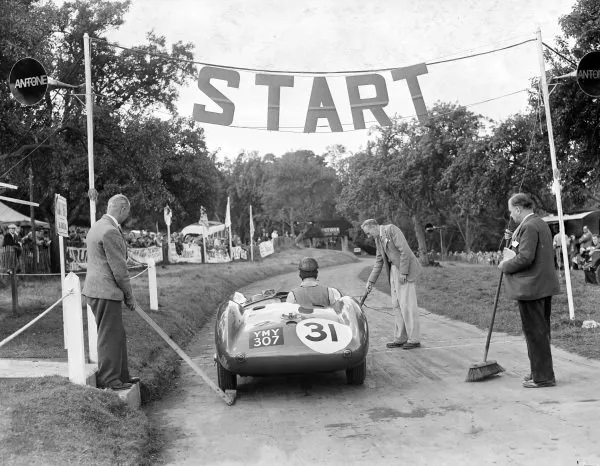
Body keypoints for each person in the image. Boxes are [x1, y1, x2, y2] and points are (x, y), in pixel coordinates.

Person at [499, 193, 560, 388]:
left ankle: (543, 377)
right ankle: (539, 370)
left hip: (532, 287)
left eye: (511, 211)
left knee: (535, 332)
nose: (511, 216)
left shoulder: (528, 226)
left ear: (518, 208)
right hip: (542, 285)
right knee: (540, 331)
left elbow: (525, 257)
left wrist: (505, 265)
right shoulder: (539, 223)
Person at [82, 194, 140, 391]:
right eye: (128, 211)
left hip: (95, 290)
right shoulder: (110, 232)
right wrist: (129, 297)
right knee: (109, 336)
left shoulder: (97, 226)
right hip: (106, 292)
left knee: (117, 334)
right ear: (123, 209)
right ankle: (109, 379)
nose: (128, 215)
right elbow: (120, 270)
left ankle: (121, 375)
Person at [362, 219, 422, 350]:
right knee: (397, 305)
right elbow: (379, 261)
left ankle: (414, 339)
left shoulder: (391, 229)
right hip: (393, 271)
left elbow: (405, 251)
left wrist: (404, 272)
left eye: (368, 233)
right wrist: (370, 281)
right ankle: (400, 338)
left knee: (407, 305)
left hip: (404, 270)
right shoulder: (378, 239)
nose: (368, 236)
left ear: (374, 227)